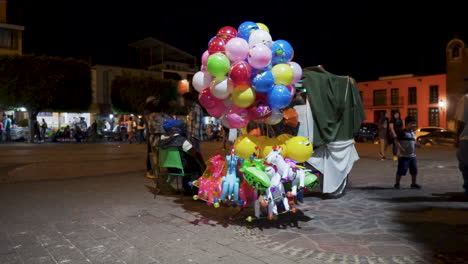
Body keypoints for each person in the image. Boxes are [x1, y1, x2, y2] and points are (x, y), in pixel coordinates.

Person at [160, 118, 206, 194]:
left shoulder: (162, 140)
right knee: (196, 166)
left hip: (169, 167)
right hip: (182, 168)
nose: (180, 127)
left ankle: (187, 188)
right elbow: (194, 152)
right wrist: (203, 164)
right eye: (178, 126)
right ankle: (195, 190)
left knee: (187, 163)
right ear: (174, 129)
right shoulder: (182, 140)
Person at [394, 116, 421, 189]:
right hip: (403, 157)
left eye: (414, 123)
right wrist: (400, 148)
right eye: (412, 123)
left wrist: (417, 145)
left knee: (414, 170)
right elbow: (396, 140)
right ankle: (397, 184)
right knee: (401, 170)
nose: (414, 125)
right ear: (407, 124)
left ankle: (413, 184)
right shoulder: (402, 132)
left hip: (412, 156)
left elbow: (413, 142)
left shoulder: (413, 133)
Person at [144, 96, 166, 179]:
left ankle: (157, 170)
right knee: (151, 152)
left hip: (156, 134)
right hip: (152, 134)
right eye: (153, 101)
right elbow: (150, 122)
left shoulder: (154, 111)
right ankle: (149, 170)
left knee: (157, 153)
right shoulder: (148, 111)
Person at [455, 91, 468, 196]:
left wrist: (457, 137)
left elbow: (461, 121)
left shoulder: (465, 98)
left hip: (466, 137)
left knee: (465, 165)